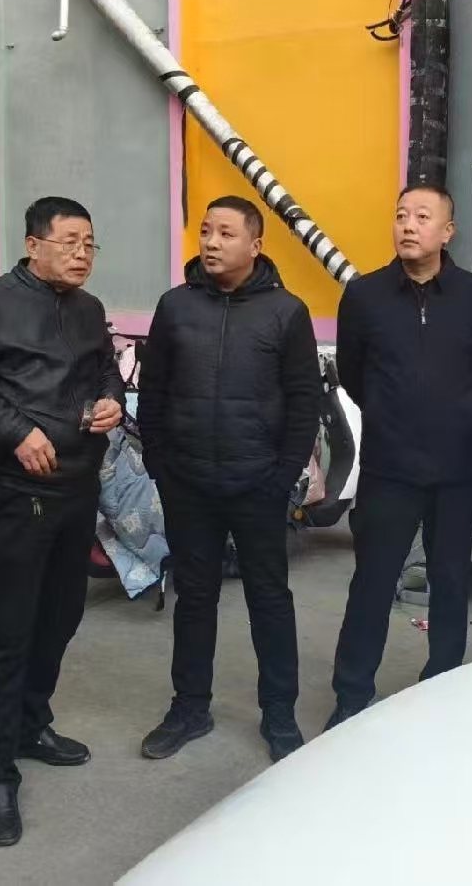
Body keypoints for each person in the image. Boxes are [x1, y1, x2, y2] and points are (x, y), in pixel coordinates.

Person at [0, 196, 123, 848]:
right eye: (69, 241)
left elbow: (105, 371)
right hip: (13, 493)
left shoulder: (89, 309)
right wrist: (16, 431)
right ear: (32, 244)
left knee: (60, 617)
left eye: (89, 243)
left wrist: (111, 401)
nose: (81, 253)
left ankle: (29, 724)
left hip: (76, 488)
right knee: (6, 630)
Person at [138, 196, 321, 764]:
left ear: (255, 245)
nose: (211, 243)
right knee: (195, 598)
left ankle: (279, 714)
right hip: (188, 483)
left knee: (270, 599)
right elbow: (153, 391)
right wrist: (161, 465)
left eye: (225, 233)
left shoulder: (286, 312)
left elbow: (304, 402)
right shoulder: (175, 307)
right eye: (205, 231)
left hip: (257, 483)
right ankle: (189, 708)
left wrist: (281, 476)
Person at [326, 185, 472, 730]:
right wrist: (392, 413)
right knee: (372, 582)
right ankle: (352, 694)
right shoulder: (364, 296)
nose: (408, 225)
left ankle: (443, 685)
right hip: (389, 467)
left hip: (456, 468)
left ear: (447, 231)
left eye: (423, 216)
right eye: (401, 215)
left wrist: (448, 413)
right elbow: (353, 374)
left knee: (450, 581)